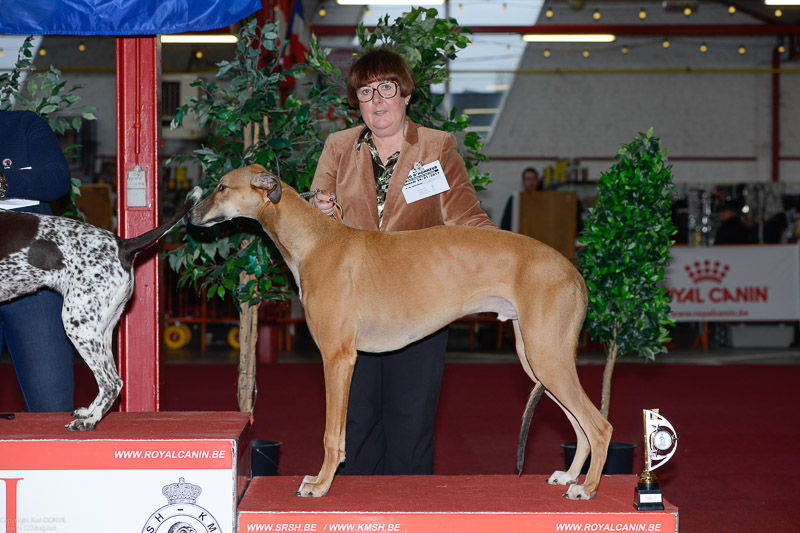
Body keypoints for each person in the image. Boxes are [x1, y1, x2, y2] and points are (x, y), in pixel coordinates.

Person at [309, 48, 495, 475]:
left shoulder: (436, 146)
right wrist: (319, 210)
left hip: (420, 307)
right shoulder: (338, 147)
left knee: (411, 427)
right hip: (354, 309)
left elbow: (467, 220)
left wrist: (510, 264)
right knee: (356, 427)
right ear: (356, 101)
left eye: (386, 88)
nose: (377, 100)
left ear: (406, 93)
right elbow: (316, 226)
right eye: (366, 91)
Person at [0, 109, 75, 412]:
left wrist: (3, 181)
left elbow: (56, 180)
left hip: (34, 285)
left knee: (52, 409)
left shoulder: (23, 123)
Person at [500, 167, 539, 231]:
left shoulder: (542, 200)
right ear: (523, 182)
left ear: (537, 181)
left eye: (534, 179)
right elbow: (505, 223)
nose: (531, 182)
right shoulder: (515, 199)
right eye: (528, 179)